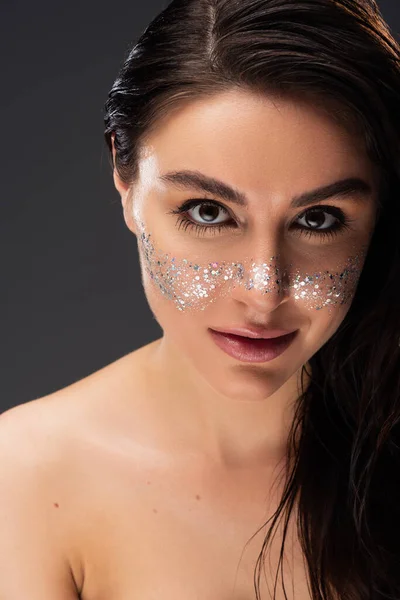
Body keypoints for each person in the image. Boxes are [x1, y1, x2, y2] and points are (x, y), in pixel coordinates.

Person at [1, 0, 400, 598]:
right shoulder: (26, 478)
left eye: (318, 219)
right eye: (208, 212)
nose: (264, 290)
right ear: (126, 179)